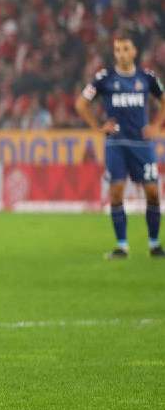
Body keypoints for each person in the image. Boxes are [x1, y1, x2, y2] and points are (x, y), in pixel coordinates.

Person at [76, 33, 165, 259]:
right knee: (116, 192)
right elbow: (81, 104)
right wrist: (98, 127)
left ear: (134, 51)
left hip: (142, 144)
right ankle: (122, 246)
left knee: (153, 192)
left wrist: (156, 125)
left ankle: (154, 244)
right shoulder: (104, 78)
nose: (121, 54)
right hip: (116, 144)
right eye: (117, 50)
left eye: (125, 49)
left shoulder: (147, 77)